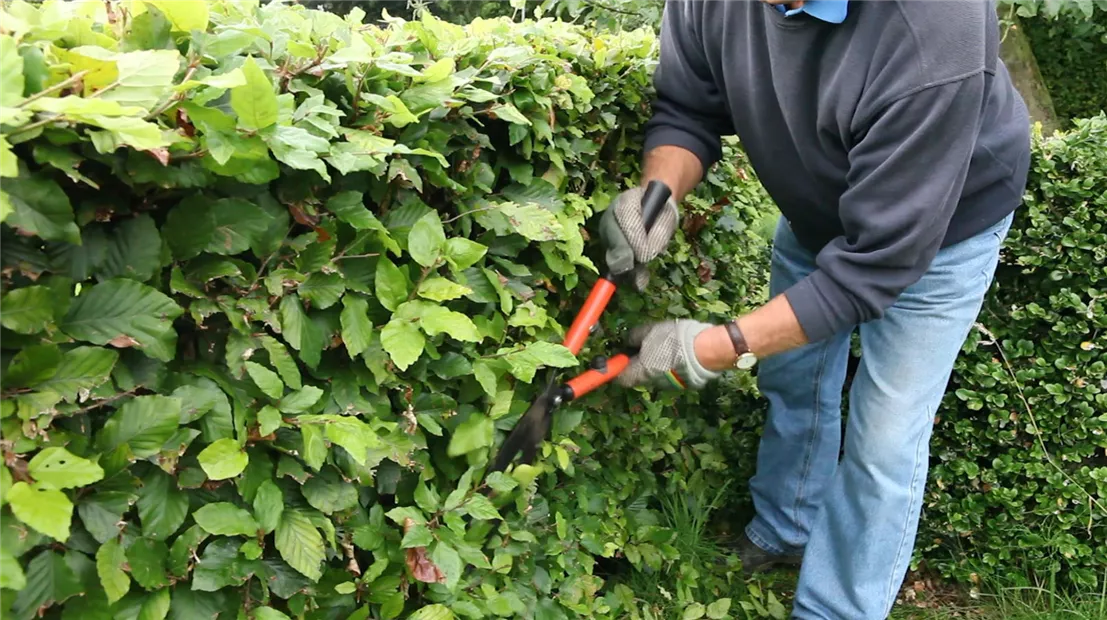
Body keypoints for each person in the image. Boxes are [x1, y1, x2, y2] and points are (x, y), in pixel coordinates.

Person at [598, 0, 1031, 618]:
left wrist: (709, 347)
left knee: (885, 433)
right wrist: (656, 196)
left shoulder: (936, 24)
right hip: (819, 199)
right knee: (792, 371)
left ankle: (836, 608)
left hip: (939, 228)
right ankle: (785, 525)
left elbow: (872, 268)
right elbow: (688, 106)